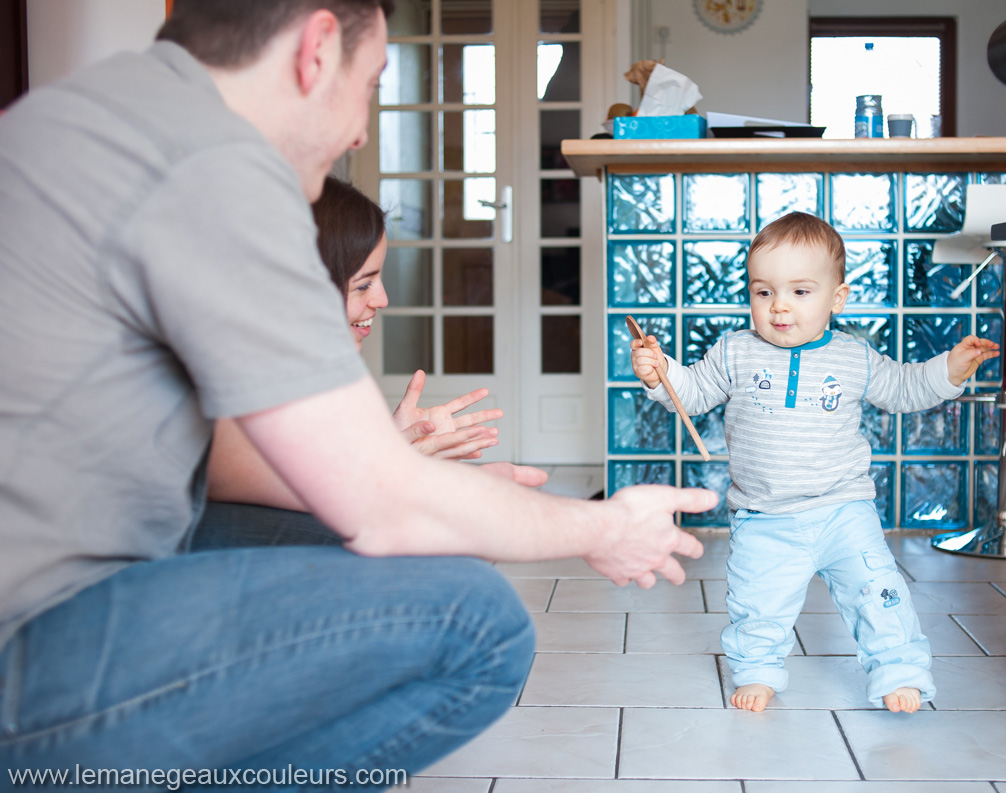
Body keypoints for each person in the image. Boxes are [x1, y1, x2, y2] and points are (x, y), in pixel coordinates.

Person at [0, 0, 714, 782]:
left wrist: (424, 481)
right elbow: (383, 503)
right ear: (316, 49)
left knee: (349, 535)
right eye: (373, 82)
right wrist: (601, 526)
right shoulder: (209, 166)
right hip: (28, 646)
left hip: (69, 598)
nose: (363, 132)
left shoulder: (79, 118)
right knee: (475, 622)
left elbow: (242, 464)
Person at [631, 211, 999, 714]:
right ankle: (758, 669)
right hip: (764, 516)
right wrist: (659, 373)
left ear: (836, 298)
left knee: (879, 593)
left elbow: (905, 389)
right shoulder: (734, 352)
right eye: (764, 292)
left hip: (843, 510)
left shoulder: (855, 357)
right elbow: (690, 393)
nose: (780, 306)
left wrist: (950, 369)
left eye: (800, 292)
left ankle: (897, 669)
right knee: (757, 602)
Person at [195, 175, 547, 549]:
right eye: (363, 285)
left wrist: (400, 453)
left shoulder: (297, 373)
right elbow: (348, 493)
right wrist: (427, 474)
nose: (382, 300)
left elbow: (341, 481)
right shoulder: (224, 374)